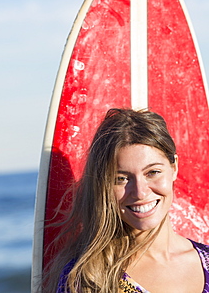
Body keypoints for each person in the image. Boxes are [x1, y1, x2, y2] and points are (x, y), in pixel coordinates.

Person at [43, 108, 209, 293]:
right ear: (104, 185)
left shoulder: (207, 260)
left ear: (174, 167)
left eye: (152, 173)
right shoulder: (88, 280)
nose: (139, 192)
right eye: (120, 178)